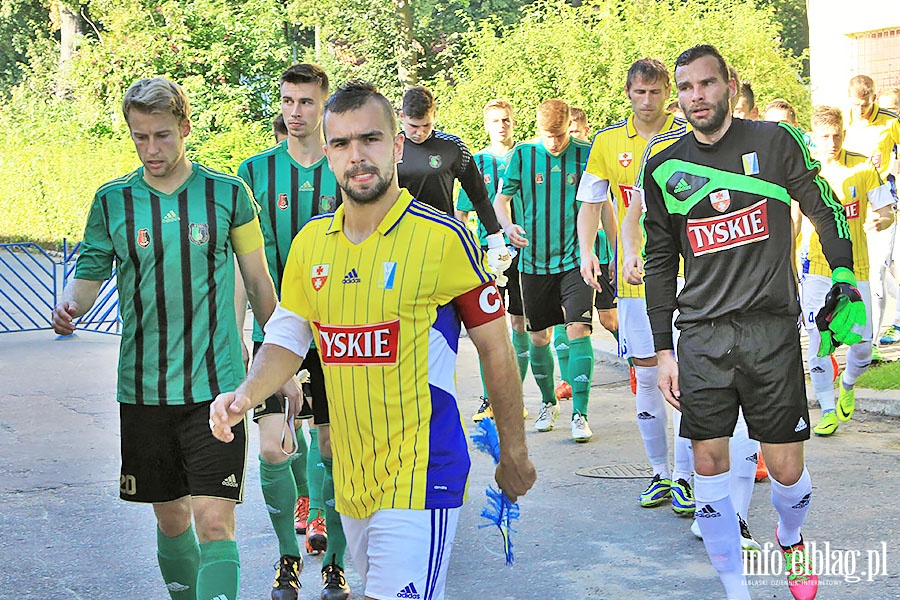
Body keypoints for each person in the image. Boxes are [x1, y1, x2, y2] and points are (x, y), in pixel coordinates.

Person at [210, 80, 536, 600]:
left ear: (398, 146)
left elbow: (496, 349)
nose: (356, 156)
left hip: (423, 476)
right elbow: (287, 339)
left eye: (370, 140)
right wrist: (246, 395)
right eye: (340, 144)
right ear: (326, 153)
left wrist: (513, 450)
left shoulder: (444, 239)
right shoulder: (310, 243)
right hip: (352, 481)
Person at [642, 44, 859, 600]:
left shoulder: (774, 141)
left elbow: (822, 204)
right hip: (703, 335)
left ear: (730, 86)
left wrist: (844, 276)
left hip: (770, 328)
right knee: (708, 464)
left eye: (707, 85)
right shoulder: (663, 167)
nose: (696, 98)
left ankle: (790, 539)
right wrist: (664, 349)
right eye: (686, 88)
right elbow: (662, 259)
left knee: (786, 471)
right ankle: (735, 588)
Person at [52, 77, 280, 600]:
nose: (151, 149)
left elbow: (259, 281)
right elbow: (87, 275)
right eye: (140, 137)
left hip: (217, 386)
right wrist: (70, 306)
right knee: (174, 520)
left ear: (185, 128)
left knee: (215, 522)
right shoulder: (112, 202)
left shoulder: (228, 194)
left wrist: (277, 362)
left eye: (162, 136)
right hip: (144, 389)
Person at [237, 63, 350, 600]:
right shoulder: (254, 172)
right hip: (276, 327)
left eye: (306, 102)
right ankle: (287, 558)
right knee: (273, 449)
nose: (295, 111)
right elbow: (245, 265)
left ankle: (337, 563)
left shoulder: (347, 166)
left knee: (332, 448)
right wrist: (246, 335)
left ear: (324, 107)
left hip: (341, 331)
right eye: (288, 101)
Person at [576, 57, 694, 509]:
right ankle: (660, 473)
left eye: (655, 92)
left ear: (668, 92)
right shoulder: (607, 142)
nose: (647, 102)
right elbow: (591, 203)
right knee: (646, 378)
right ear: (627, 93)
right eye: (639, 93)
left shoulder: (686, 132)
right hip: (633, 277)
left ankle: (686, 476)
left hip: (688, 271)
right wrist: (588, 252)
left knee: (687, 377)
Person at [494, 99, 601, 442]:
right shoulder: (522, 156)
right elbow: (500, 201)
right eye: (547, 135)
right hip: (533, 262)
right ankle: (548, 402)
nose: (553, 142)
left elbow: (604, 203)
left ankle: (580, 414)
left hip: (575, 260)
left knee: (578, 330)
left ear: (569, 124)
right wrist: (508, 227)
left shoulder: (586, 154)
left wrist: (612, 250)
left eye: (558, 135)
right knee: (539, 336)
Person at [804, 105, 894, 435]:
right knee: (817, 335)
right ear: (814, 136)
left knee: (862, 347)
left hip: (856, 268)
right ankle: (827, 409)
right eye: (826, 137)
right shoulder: (807, 171)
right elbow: (793, 219)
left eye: (838, 135)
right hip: (817, 267)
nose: (833, 142)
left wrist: (880, 219)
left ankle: (849, 381)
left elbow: (887, 212)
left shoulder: (863, 166)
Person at [454, 99, 529, 422]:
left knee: (520, 324)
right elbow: (461, 210)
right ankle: (489, 398)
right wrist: (466, 244)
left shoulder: (527, 156)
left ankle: (516, 397)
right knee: (490, 328)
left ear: (514, 123)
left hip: (523, 250)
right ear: (487, 125)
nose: (502, 125)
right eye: (496, 120)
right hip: (487, 255)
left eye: (507, 120)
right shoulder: (477, 161)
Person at [397, 86, 512, 280]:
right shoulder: (388, 148)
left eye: (426, 125)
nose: (420, 132)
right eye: (413, 126)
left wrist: (496, 240)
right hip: (400, 240)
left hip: (442, 238)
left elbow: (479, 196)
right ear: (401, 117)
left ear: (434, 115)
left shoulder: (453, 146)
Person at [844, 75, 900, 355]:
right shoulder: (845, 123)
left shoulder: (890, 121)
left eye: (865, 105)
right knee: (862, 271)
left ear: (874, 99)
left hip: (882, 202)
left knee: (877, 271)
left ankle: (874, 342)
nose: (861, 110)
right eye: (856, 105)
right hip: (853, 203)